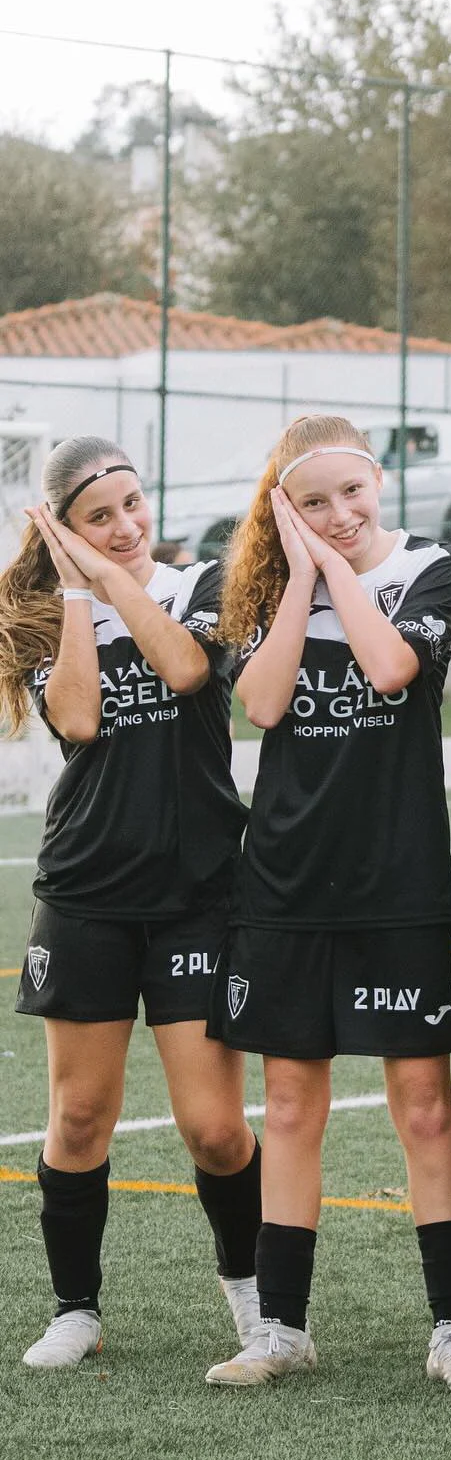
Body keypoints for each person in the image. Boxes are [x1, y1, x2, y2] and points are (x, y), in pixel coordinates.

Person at [203, 415, 451, 1391]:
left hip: (396, 882)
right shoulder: (254, 588)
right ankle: (281, 1327)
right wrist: (299, 576)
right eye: (311, 500)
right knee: (287, 1103)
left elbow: (393, 667)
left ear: (377, 482)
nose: (339, 513)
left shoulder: (432, 566)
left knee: (422, 1105)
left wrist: (336, 565)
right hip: (284, 882)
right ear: (283, 505)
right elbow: (268, 705)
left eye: (350, 493)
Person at [2, 437, 259, 1373]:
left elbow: (188, 672)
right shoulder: (38, 618)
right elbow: (78, 719)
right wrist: (77, 593)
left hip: (197, 894)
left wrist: (114, 582)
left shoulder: (201, 587)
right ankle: (77, 1309)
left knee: (216, 1127)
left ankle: (253, 1301)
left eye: (132, 504)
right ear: (63, 530)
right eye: (98, 515)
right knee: (77, 1117)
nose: (124, 525)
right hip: (86, 891)